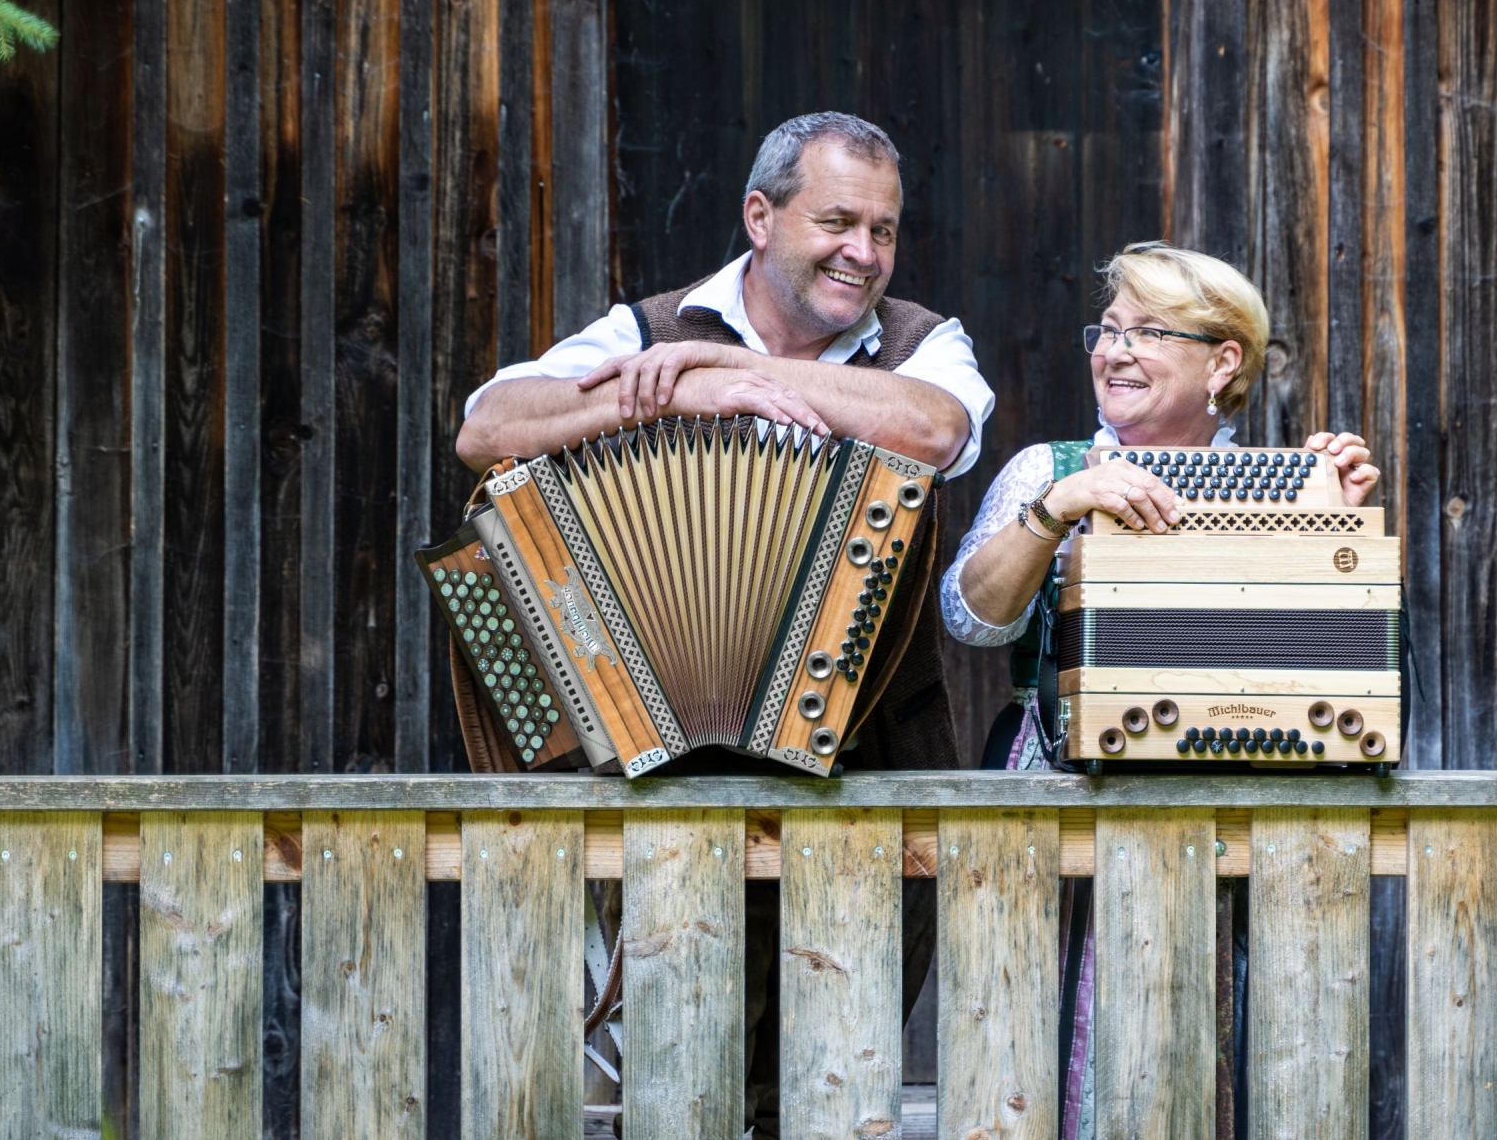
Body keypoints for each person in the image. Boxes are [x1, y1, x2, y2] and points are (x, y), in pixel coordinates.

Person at [460, 112, 995, 1138]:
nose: (864, 252)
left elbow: (932, 429)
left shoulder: (924, 341)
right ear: (760, 216)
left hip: (864, 771)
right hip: (660, 773)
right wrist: (661, 396)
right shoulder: (649, 327)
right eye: (837, 221)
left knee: (833, 1090)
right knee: (667, 1090)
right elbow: (488, 426)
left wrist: (730, 380)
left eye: (883, 230)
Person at [940, 241, 1377, 1139]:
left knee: (1207, 1045)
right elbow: (971, 619)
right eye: (1107, 330)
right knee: (1037, 1043)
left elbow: (1327, 672)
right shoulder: (1049, 468)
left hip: (1226, 794)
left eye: (1147, 332)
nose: (1114, 351)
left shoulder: (1290, 484)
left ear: (1222, 362)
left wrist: (1339, 530)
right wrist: (1057, 510)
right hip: (1060, 789)